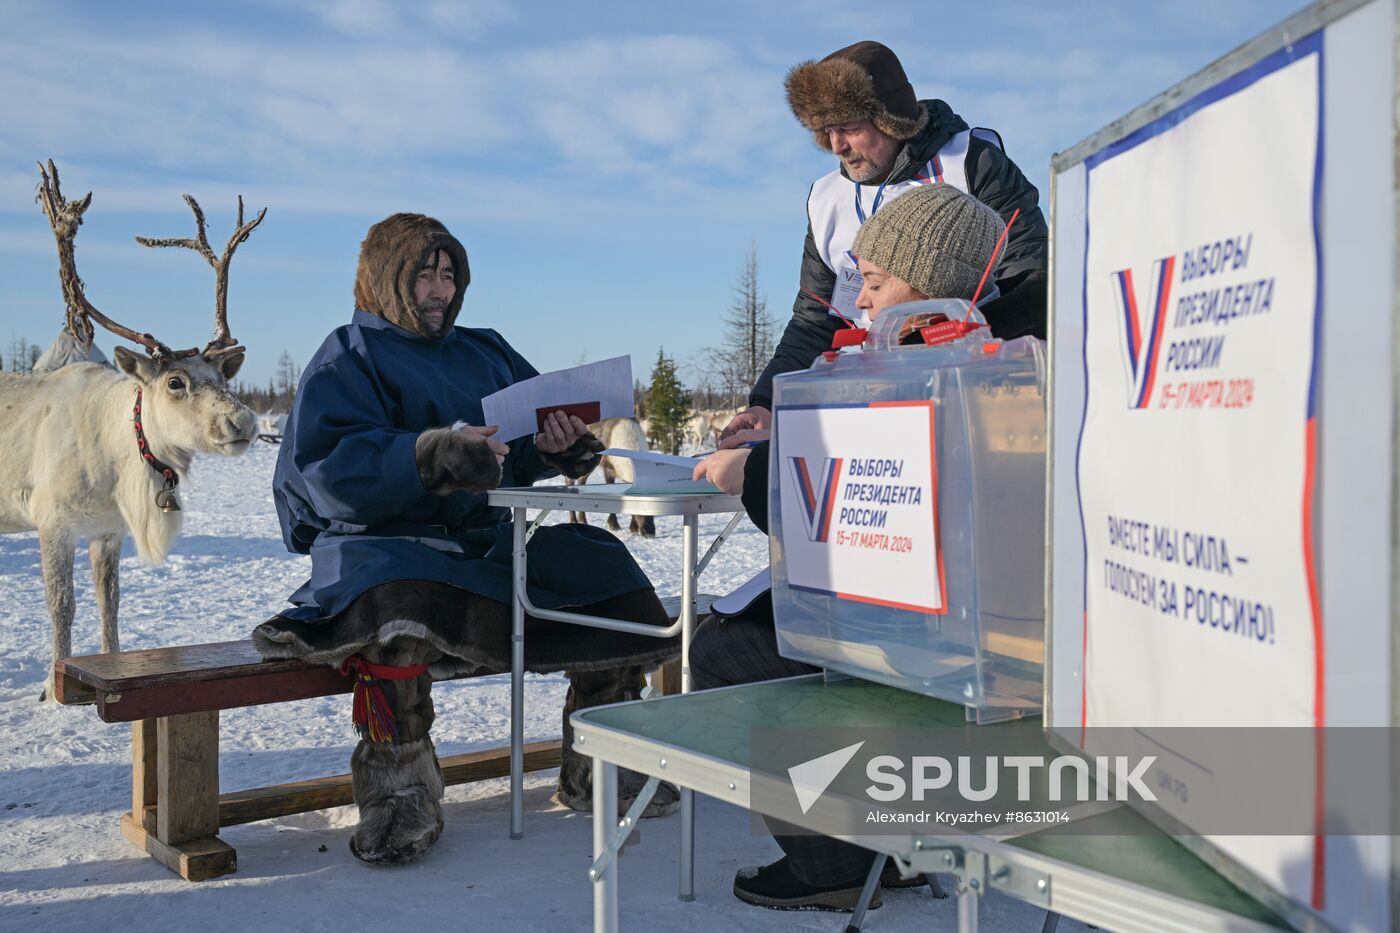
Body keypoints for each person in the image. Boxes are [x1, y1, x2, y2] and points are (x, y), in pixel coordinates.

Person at [253, 213, 678, 866]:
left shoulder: (487, 350)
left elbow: (524, 446)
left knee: (603, 564)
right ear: (385, 278)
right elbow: (328, 472)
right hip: (385, 545)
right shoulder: (348, 355)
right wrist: (429, 456)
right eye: (424, 273)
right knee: (397, 601)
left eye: (449, 274)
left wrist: (556, 444)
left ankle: (605, 756)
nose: (440, 289)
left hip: (486, 542)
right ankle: (398, 786)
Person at [691, 183, 1004, 912]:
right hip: (966, 652)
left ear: (927, 281)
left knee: (724, 654)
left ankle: (834, 855)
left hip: (918, 658)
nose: (861, 301)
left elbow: (852, 507)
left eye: (874, 280)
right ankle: (876, 842)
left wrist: (751, 471)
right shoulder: (990, 367)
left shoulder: (920, 374)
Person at [722, 39, 1047, 441]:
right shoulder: (827, 200)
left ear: (890, 119)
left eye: (850, 128)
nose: (837, 145)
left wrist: (931, 349)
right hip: (866, 396)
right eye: (827, 131)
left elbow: (1033, 281)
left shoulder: (969, 163)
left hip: (970, 394)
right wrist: (767, 402)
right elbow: (817, 318)